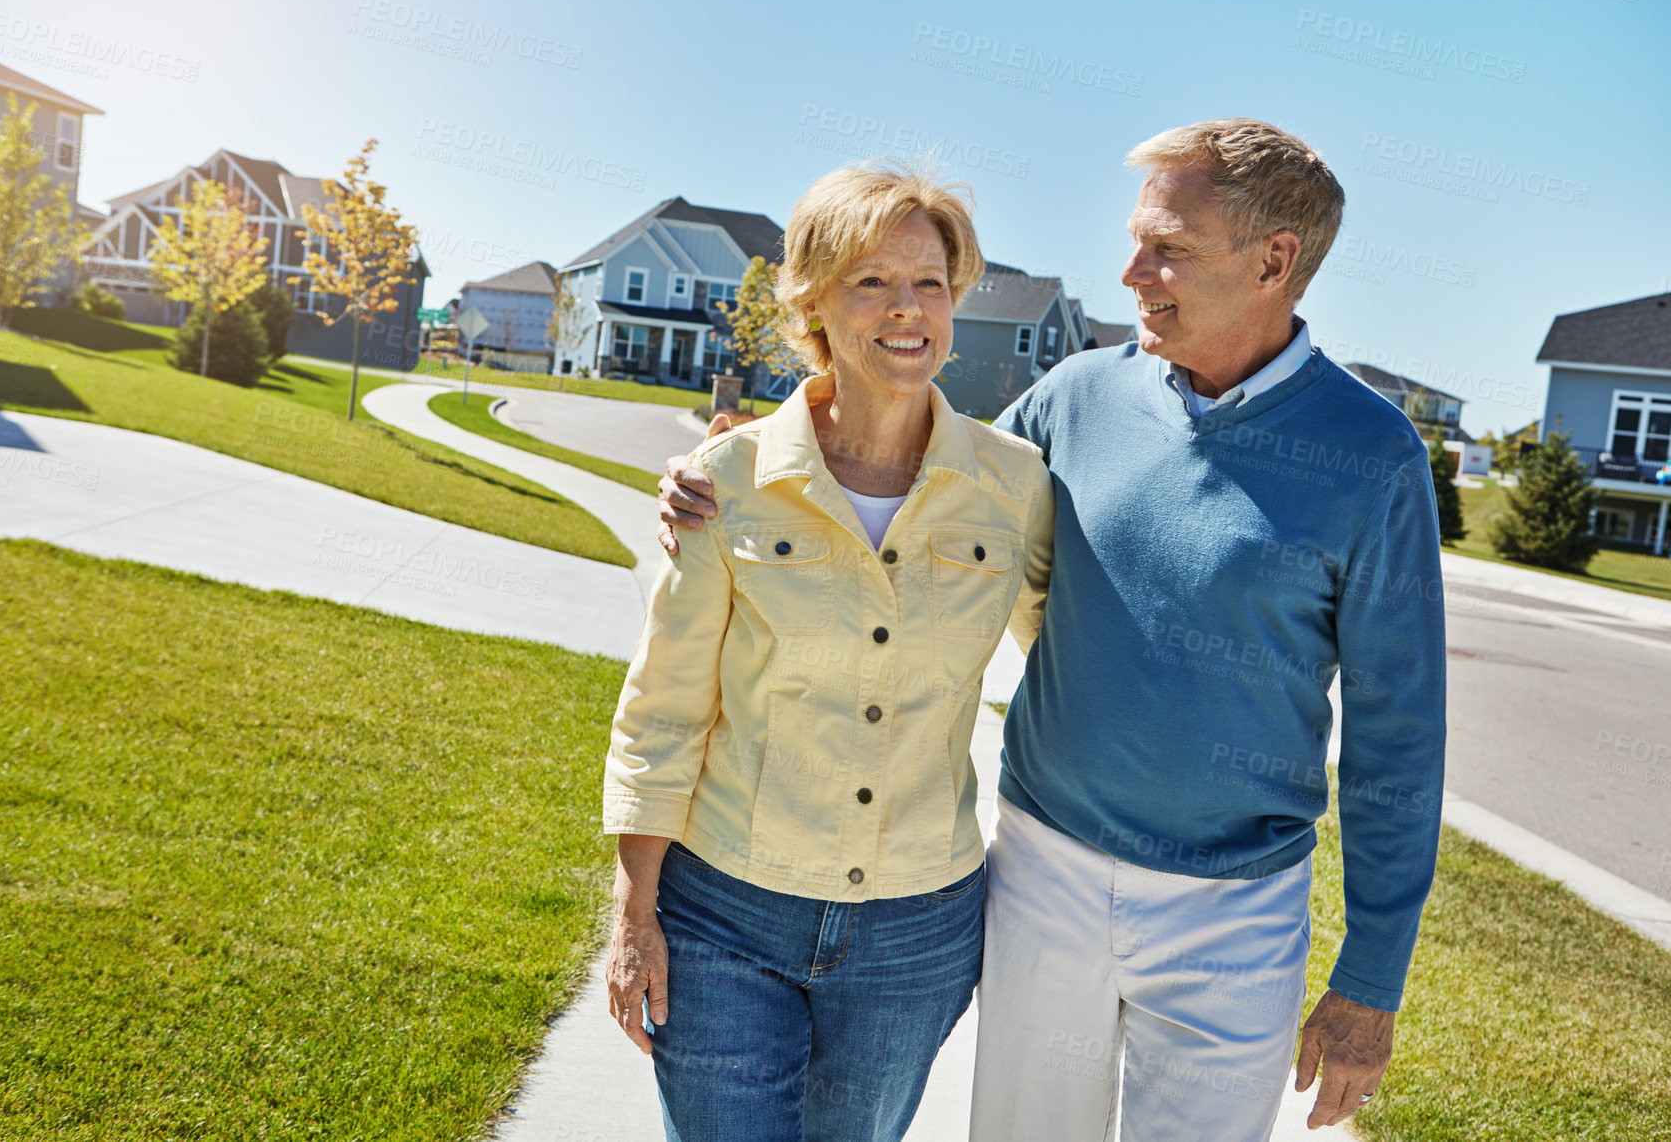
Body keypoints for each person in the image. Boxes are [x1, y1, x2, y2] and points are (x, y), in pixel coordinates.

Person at [656, 118, 1448, 1141]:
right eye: (1135, 238)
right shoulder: (1074, 398)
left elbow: (1399, 737)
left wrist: (1371, 979)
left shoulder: (1373, 457)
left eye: (1167, 246)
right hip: (1044, 871)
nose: (1130, 270)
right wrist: (743, 463)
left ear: (1275, 260)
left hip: (1236, 910)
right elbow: (918, 463)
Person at [604, 161, 1055, 1142]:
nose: (908, 310)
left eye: (929, 283)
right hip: (724, 911)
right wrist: (634, 907)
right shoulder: (728, 480)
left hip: (915, 933)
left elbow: (1074, 653)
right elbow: (665, 706)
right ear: (813, 301)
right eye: (871, 282)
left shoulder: (1014, 488)